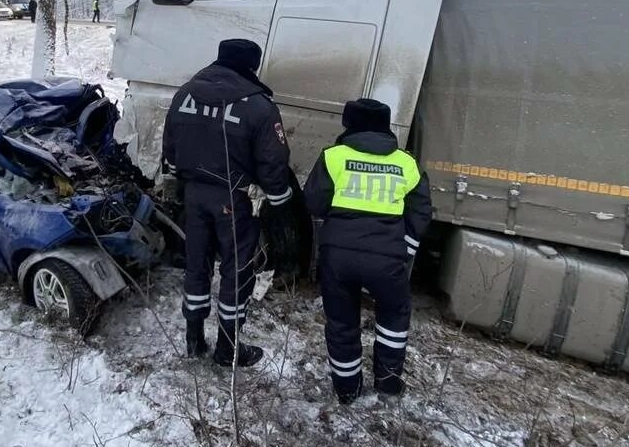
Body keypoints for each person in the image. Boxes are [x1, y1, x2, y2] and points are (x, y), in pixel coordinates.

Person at [162, 39, 295, 366]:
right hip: (234, 201)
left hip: (194, 195)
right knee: (237, 271)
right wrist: (280, 203)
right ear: (251, 66)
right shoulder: (260, 107)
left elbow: (171, 149)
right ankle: (228, 349)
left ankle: (193, 340)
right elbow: (273, 163)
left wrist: (181, 180)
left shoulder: (185, 94)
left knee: (197, 264)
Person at [303, 98, 431, 403]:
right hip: (387, 258)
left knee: (342, 321)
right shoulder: (406, 163)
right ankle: (387, 385)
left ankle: (347, 391)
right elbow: (422, 211)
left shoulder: (334, 157)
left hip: (338, 256)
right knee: (393, 318)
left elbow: (313, 203)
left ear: (350, 125)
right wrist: (406, 248)